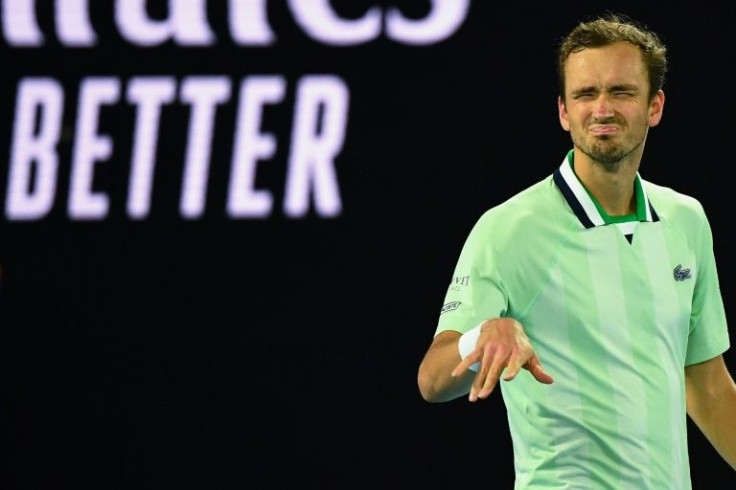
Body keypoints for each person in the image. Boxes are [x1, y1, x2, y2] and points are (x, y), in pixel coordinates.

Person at [416, 12, 736, 488]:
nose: (602, 109)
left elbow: (708, 385)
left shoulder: (686, 220)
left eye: (621, 92)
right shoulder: (506, 229)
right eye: (585, 94)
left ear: (655, 106)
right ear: (564, 112)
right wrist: (481, 335)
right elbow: (433, 378)